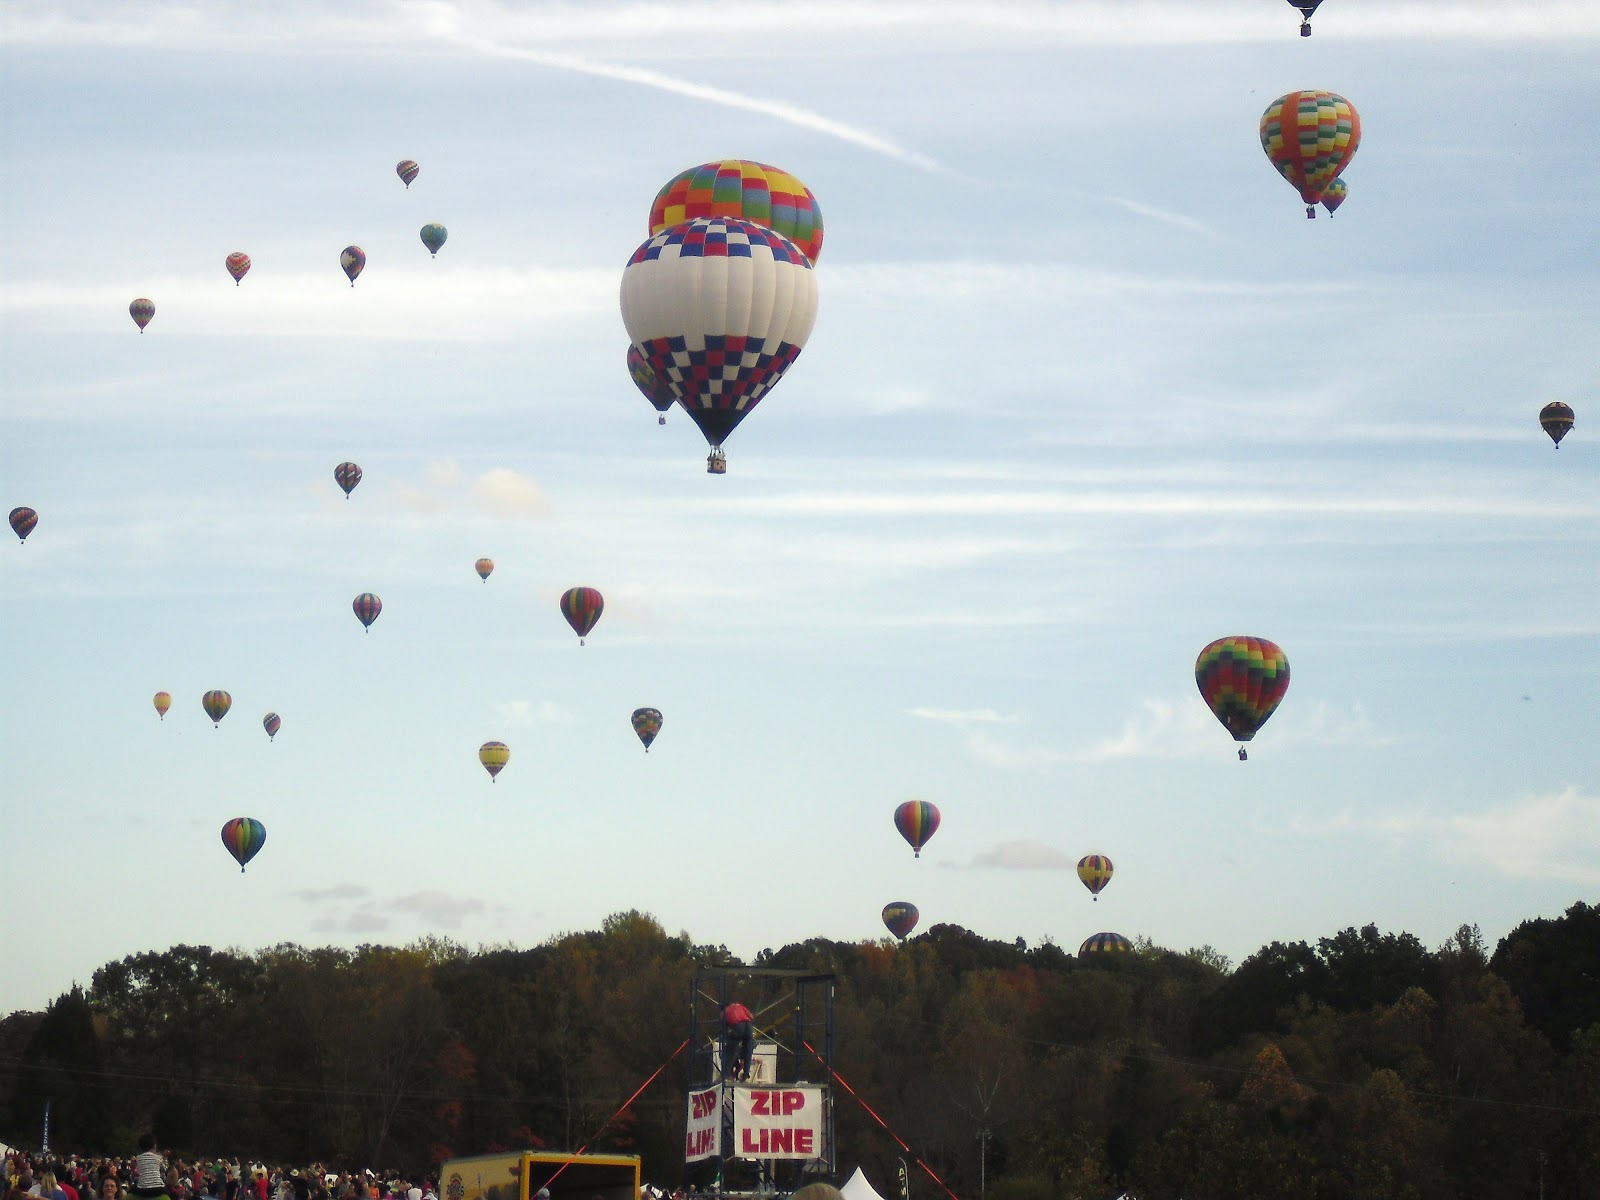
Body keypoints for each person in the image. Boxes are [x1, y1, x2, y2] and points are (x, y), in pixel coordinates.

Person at [721, 1001, 754, 1081]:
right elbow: (751, 1016)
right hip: (748, 1026)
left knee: (730, 1050)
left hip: (737, 1026)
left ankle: (726, 1074)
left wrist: (729, 1035)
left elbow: (724, 1029)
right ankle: (745, 1075)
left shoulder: (723, 1012)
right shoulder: (739, 1005)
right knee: (748, 1051)